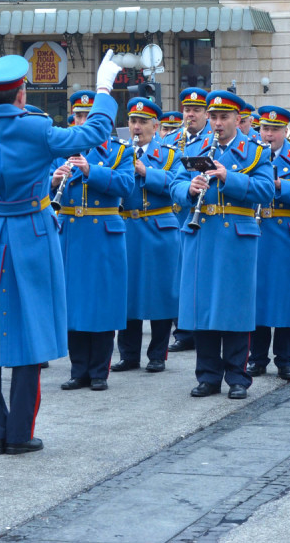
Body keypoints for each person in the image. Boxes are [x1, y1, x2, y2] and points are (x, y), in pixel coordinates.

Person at [0, 52, 122, 456]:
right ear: (22, 94)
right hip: (31, 231)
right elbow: (91, 134)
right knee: (30, 330)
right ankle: (20, 432)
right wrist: (105, 89)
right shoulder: (38, 129)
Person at [170, 90, 274, 400]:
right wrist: (188, 188)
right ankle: (208, 376)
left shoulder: (255, 151)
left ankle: (238, 376)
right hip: (201, 233)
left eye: (223, 117)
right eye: (213, 117)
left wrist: (230, 177)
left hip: (235, 237)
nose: (217, 123)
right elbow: (173, 183)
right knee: (203, 308)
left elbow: (267, 190)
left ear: (238, 119)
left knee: (235, 308)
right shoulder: (194, 148)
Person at [51, 89, 134, 391]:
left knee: (102, 303)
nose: (83, 121)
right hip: (70, 231)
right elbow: (39, 188)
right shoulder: (59, 150)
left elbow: (126, 186)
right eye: (78, 116)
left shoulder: (120, 150)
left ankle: (99, 371)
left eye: (89, 116)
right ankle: (78, 370)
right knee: (72, 304)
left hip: (103, 234)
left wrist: (92, 171)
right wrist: (53, 181)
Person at [114, 98, 180, 374]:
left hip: (159, 227)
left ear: (156, 125)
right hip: (128, 227)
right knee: (127, 294)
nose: (137, 127)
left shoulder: (169, 153)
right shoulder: (118, 152)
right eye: (132, 121)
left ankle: (157, 354)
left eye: (142, 122)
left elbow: (179, 183)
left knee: (160, 294)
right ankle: (129, 355)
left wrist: (148, 172)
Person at [248, 105, 290, 381]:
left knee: (288, 297)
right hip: (259, 228)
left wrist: (280, 187)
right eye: (265, 128)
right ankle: (257, 357)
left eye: (275, 129)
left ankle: (286, 359)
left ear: (286, 132)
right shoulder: (251, 154)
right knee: (258, 296)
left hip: (288, 230)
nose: (269, 134)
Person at [167, 87, 213, 353]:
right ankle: (183, 330)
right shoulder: (172, 138)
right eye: (187, 109)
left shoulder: (210, 140)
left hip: (201, 217)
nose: (191, 114)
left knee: (199, 277)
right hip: (178, 215)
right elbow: (173, 177)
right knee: (182, 278)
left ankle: (199, 329)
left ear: (206, 114)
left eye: (196, 110)